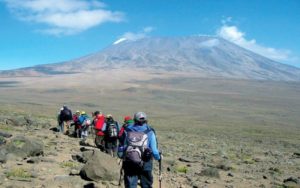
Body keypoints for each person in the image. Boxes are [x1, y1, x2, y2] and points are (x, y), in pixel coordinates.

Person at [118, 112, 161, 188]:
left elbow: (123, 146)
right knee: (146, 184)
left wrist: (121, 155)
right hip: (146, 161)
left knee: (130, 184)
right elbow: (154, 150)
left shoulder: (127, 130)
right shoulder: (150, 132)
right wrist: (158, 157)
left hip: (130, 160)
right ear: (146, 120)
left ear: (134, 120)